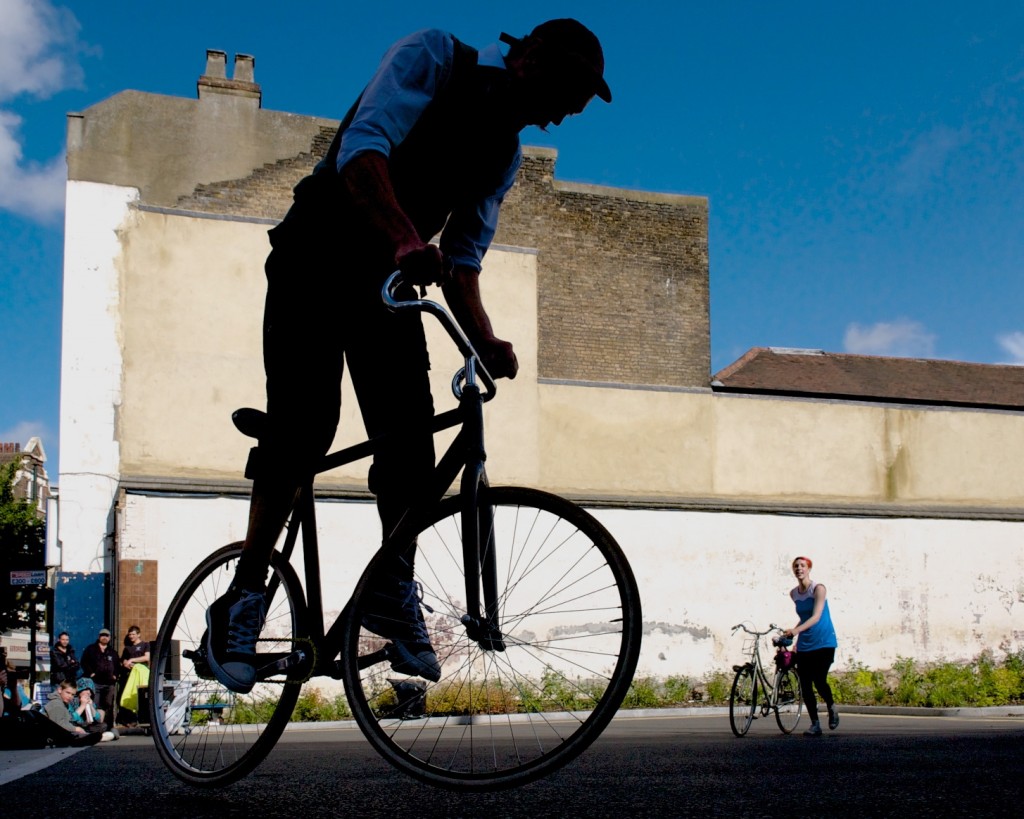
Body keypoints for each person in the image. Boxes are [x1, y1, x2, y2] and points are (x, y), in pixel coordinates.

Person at [204, 18, 612, 694]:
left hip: (385, 284)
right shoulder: (434, 58)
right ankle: (243, 599)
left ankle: (392, 592)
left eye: (578, 102)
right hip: (315, 254)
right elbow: (361, 152)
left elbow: (463, 258)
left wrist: (484, 338)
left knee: (413, 443)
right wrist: (400, 235)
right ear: (529, 53)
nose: (566, 113)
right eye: (567, 89)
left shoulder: (503, 153)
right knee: (306, 424)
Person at [783, 556, 839, 737]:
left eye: (803, 566)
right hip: (806, 644)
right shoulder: (794, 593)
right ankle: (815, 724)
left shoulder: (818, 589)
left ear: (809, 569)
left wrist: (795, 631)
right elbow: (804, 617)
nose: (799, 568)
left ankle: (831, 706)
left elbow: (815, 617)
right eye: (796, 566)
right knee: (805, 684)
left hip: (824, 642)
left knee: (819, 680)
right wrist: (796, 640)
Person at [80, 628, 120, 730]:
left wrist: (115, 675)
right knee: (95, 704)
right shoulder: (91, 649)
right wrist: (91, 673)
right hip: (95, 683)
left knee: (109, 705)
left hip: (109, 683)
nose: (104, 637)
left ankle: (109, 726)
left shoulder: (113, 652)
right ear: (99, 637)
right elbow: (84, 662)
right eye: (102, 635)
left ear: (109, 638)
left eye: (106, 636)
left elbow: (117, 666)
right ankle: (95, 726)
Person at [118, 625, 150, 726]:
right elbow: (123, 660)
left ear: (138, 634)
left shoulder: (145, 645)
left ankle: (143, 719)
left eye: (133, 634)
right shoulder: (127, 648)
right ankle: (131, 720)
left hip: (142, 674)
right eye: (130, 634)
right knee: (130, 695)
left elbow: (147, 658)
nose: (131, 636)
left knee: (142, 696)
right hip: (130, 675)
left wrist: (133, 660)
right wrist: (126, 663)